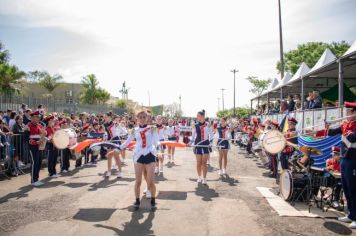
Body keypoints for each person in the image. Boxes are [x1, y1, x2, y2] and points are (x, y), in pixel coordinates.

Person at [120, 110, 158, 210]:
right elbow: (127, 142)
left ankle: (153, 201)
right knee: (138, 181)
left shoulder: (152, 129)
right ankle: (137, 201)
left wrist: (158, 147)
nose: (142, 119)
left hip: (149, 155)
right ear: (137, 119)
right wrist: (119, 147)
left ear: (147, 118)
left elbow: (156, 142)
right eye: (140, 117)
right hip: (138, 156)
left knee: (151, 181)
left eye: (144, 117)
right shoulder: (134, 130)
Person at [327, 101, 356, 229]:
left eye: (348, 112)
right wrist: (328, 127)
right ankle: (351, 214)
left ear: (354, 113)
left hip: (354, 160)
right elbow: (332, 132)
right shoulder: (347, 125)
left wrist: (343, 128)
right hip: (345, 159)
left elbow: (350, 139)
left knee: (354, 189)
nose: (346, 114)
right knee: (347, 188)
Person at [190, 109, 213, 185]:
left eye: (198, 116)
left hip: (205, 144)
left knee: (204, 163)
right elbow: (193, 136)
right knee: (198, 163)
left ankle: (204, 178)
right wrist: (190, 142)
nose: (197, 117)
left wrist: (210, 142)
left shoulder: (208, 124)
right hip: (198, 144)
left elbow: (211, 135)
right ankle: (199, 177)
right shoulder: (195, 125)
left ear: (202, 116)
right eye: (197, 116)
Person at [27, 111, 46, 186]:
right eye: (37, 117)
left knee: (38, 162)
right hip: (33, 147)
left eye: (38, 117)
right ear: (32, 118)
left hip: (39, 146)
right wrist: (37, 142)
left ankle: (36, 178)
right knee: (34, 163)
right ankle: (33, 180)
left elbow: (42, 134)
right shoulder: (29, 126)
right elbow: (27, 139)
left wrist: (44, 135)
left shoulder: (39, 125)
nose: (38, 118)